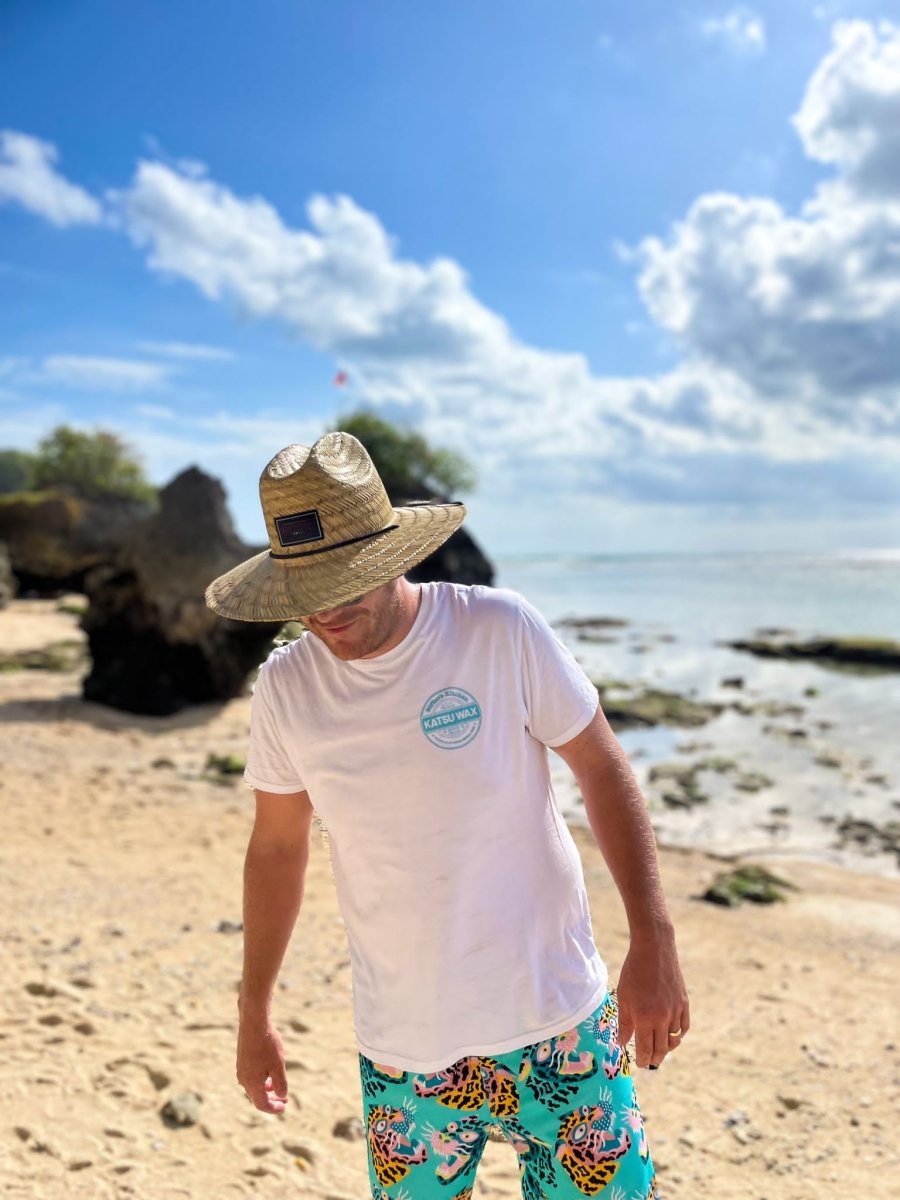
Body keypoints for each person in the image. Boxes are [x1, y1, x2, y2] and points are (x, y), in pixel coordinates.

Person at [206, 431, 689, 1200]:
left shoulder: (498, 630)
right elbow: (275, 850)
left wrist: (654, 941)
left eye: (345, 579)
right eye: (308, 589)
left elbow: (601, 766)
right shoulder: (286, 689)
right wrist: (253, 1011)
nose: (327, 610)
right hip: (405, 1051)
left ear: (393, 555)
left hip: (560, 1020)